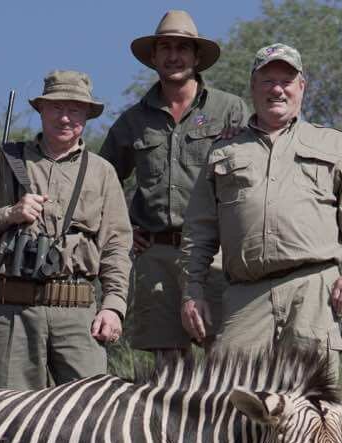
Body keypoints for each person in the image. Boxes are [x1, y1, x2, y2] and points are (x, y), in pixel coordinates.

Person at [180, 43, 342, 380]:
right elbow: (198, 231)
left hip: (313, 290)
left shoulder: (334, 144)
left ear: (301, 87)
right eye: (267, 81)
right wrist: (193, 292)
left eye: (286, 81)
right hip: (244, 294)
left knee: (311, 407)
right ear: (252, 87)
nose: (277, 89)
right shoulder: (223, 151)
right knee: (230, 401)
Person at [0, 70, 132, 389]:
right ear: (41, 110)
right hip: (13, 313)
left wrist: (113, 307)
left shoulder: (102, 172)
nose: (65, 118)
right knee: (14, 420)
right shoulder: (4, 161)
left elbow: (117, 247)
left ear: (87, 115)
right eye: (57, 108)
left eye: (75, 109)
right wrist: (9, 214)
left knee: (89, 417)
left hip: (79, 314)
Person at [100, 10, 249, 361]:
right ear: (153, 57)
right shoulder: (133, 120)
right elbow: (100, 181)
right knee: (168, 371)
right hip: (157, 254)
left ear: (197, 57)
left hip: (217, 253)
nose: (173, 55)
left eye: (183, 47)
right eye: (165, 47)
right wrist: (123, 229)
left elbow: (259, 173)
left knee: (226, 357)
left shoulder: (230, 110)